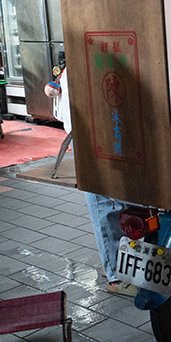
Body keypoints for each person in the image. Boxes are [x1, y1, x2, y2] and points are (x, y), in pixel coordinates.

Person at [50, 65, 136, 297]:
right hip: (100, 133)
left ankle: (119, 270)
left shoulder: (94, 55)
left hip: (108, 131)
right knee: (113, 202)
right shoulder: (81, 63)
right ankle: (118, 270)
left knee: (113, 203)